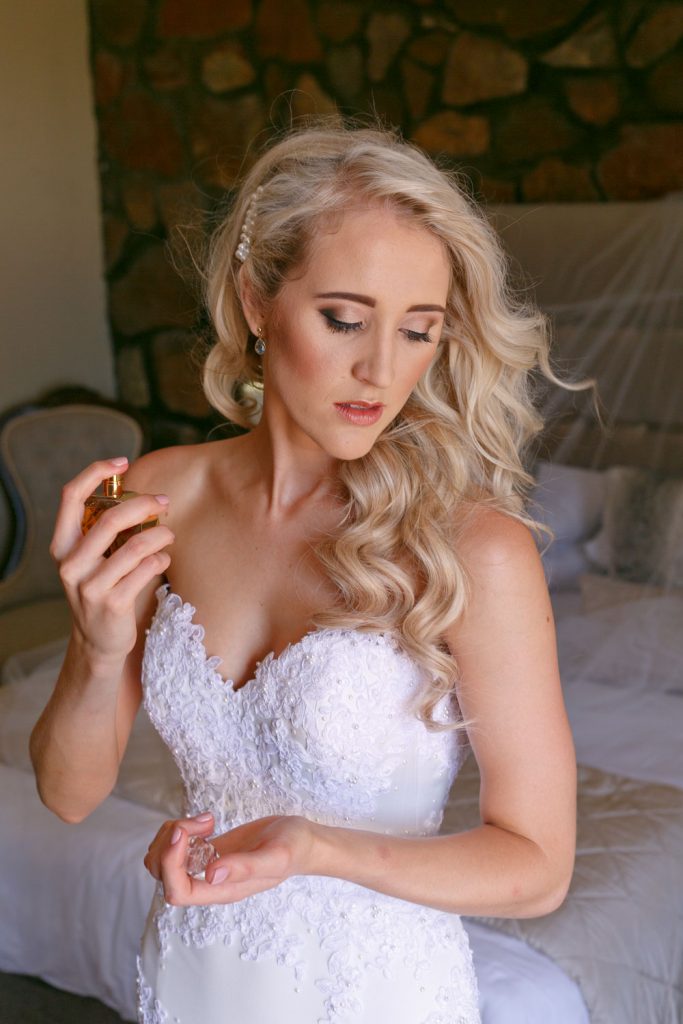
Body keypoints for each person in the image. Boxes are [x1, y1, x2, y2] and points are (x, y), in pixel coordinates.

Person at [30, 123, 577, 1024]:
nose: (381, 369)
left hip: (377, 993)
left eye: (418, 331)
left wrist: (312, 851)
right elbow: (67, 792)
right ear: (255, 300)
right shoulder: (158, 496)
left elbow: (538, 869)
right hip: (193, 973)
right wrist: (96, 647)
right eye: (344, 319)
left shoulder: (469, 546)